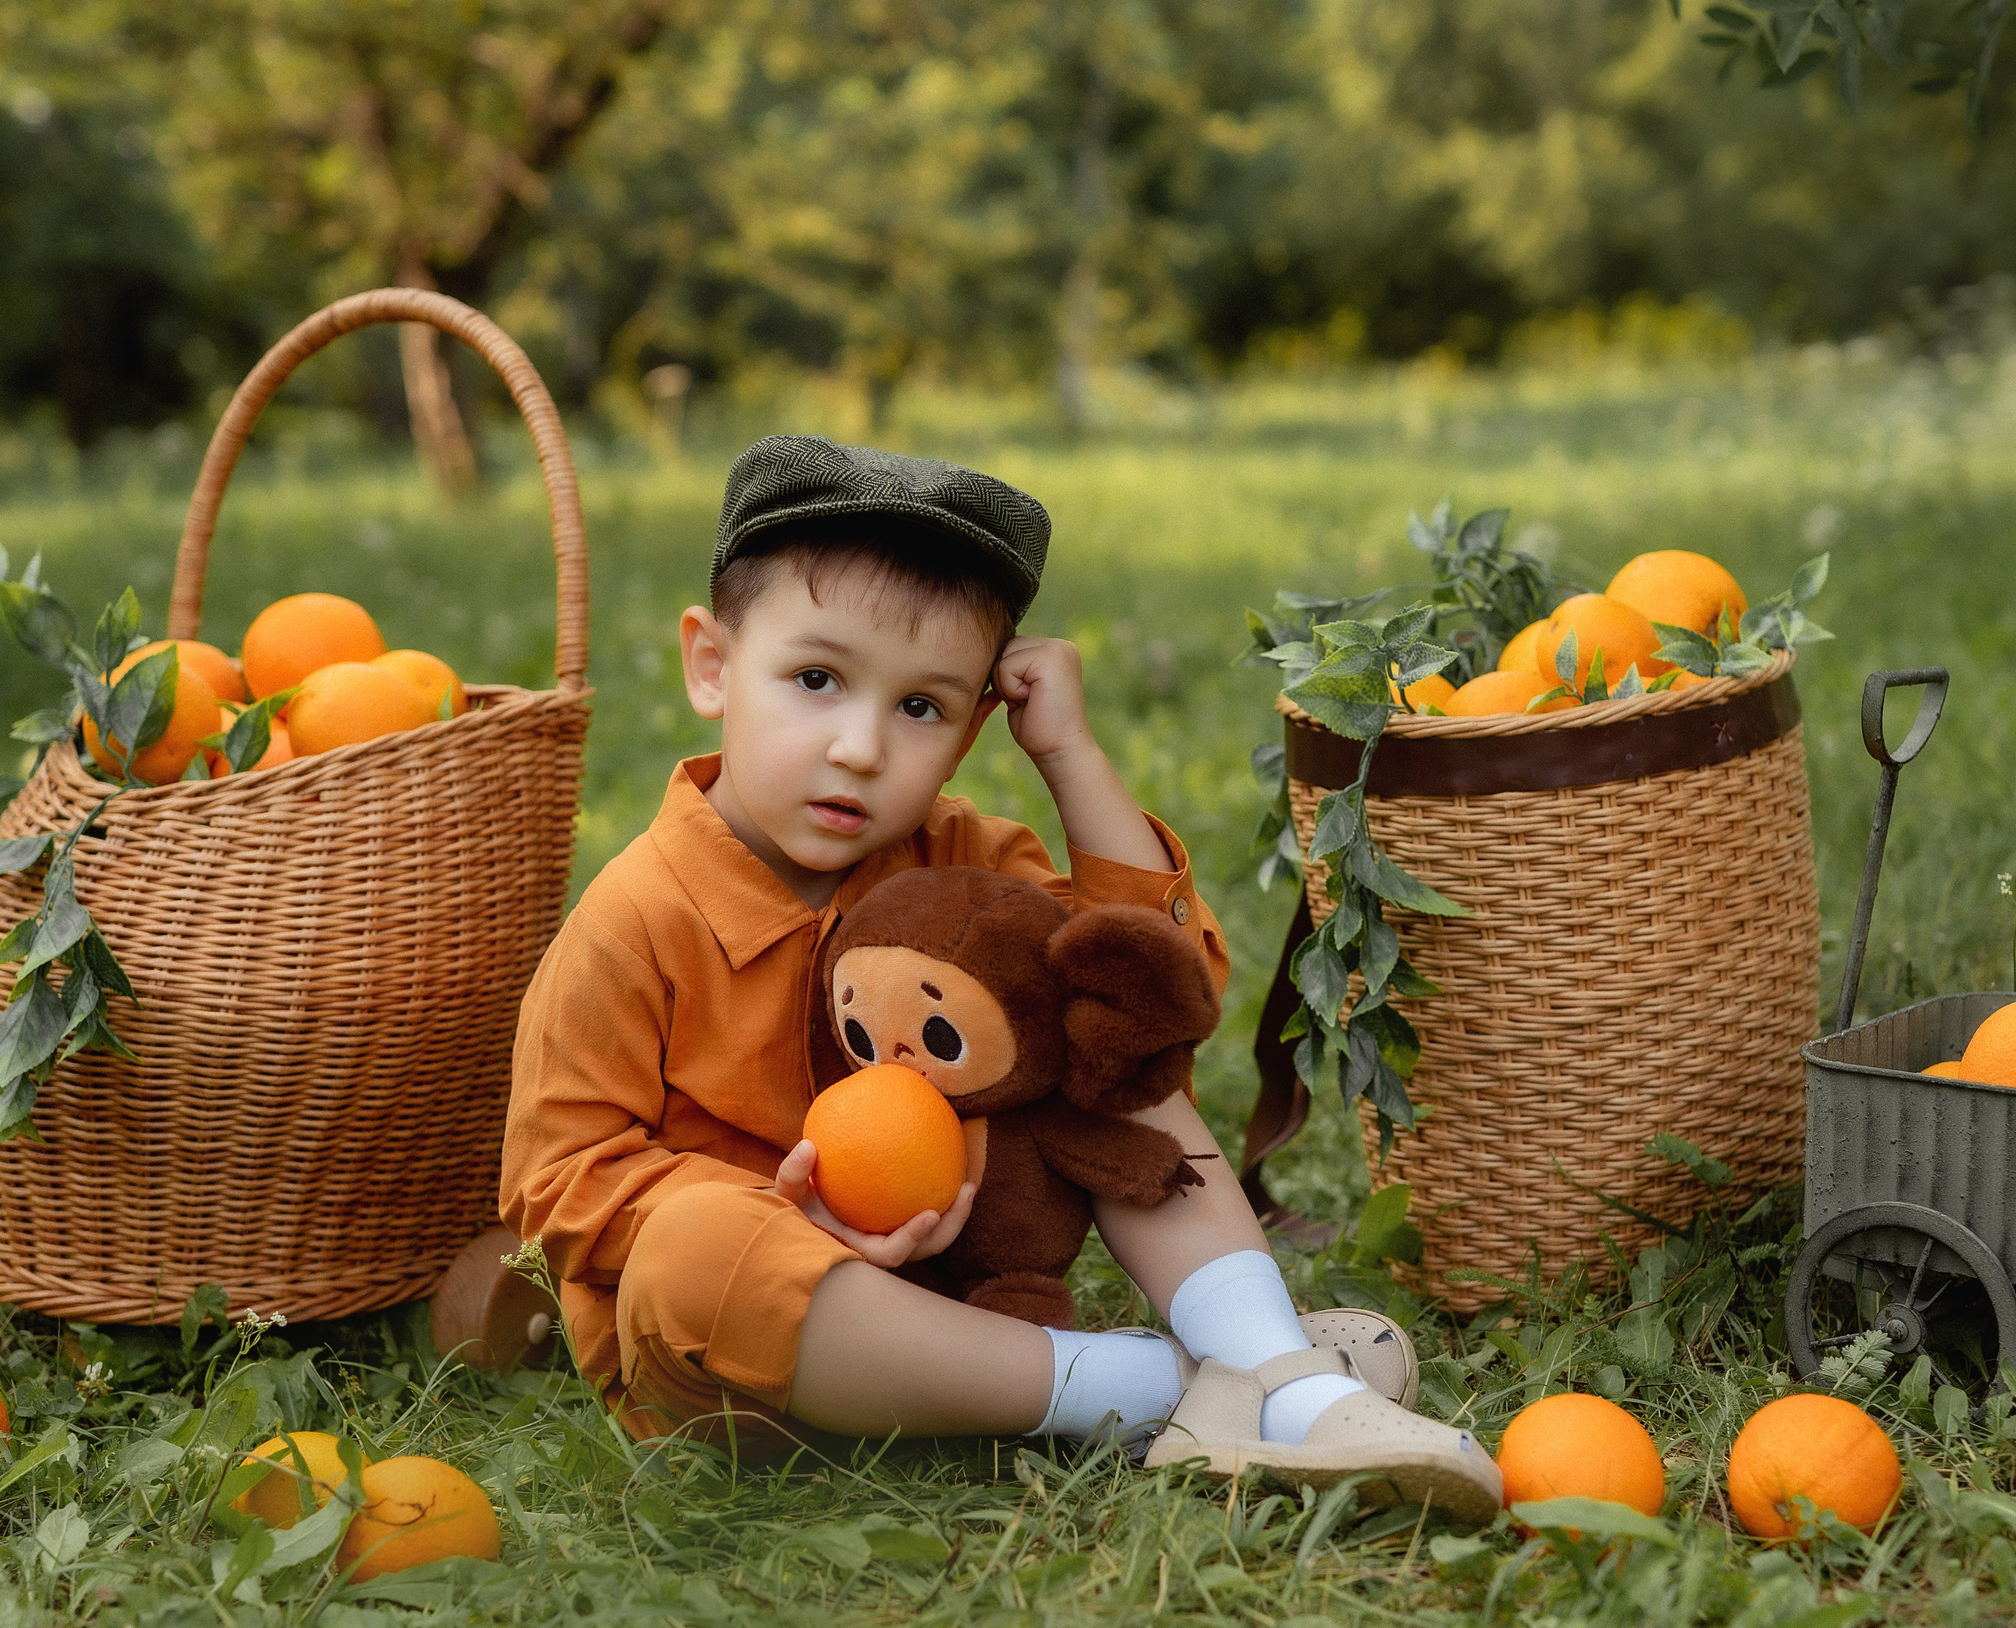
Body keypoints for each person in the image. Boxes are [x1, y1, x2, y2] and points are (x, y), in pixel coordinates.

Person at [500, 436, 1501, 1519]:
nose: (860, 747)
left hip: (969, 1282)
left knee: (1095, 1030)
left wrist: (1069, 755)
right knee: (691, 1253)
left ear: (975, 726)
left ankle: (1275, 1371)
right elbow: (559, 1185)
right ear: (711, 665)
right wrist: (796, 1220)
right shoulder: (635, 921)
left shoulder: (961, 863)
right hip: (760, 1358)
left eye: (919, 707)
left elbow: (1154, 1000)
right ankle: (1156, 1389)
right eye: (815, 680)